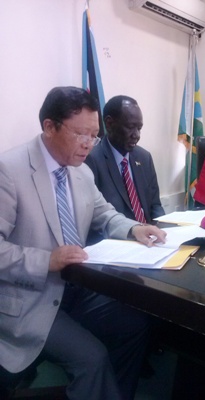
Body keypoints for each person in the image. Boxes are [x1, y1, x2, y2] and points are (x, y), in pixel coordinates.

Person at [0, 86, 167, 400]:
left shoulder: (80, 173)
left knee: (135, 325)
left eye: (95, 136)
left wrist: (135, 229)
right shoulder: (9, 171)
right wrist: (46, 260)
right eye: (81, 135)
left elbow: (103, 213)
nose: (90, 144)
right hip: (28, 300)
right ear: (50, 126)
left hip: (74, 291)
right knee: (92, 359)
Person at [85, 95, 164, 244]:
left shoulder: (144, 157)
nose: (136, 135)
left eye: (139, 128)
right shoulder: (91, 160)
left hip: (149, 242)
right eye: (130, 127)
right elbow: (94, 220)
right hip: (117, 245)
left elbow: (155, 206)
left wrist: (164, 231)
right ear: (109, 123)